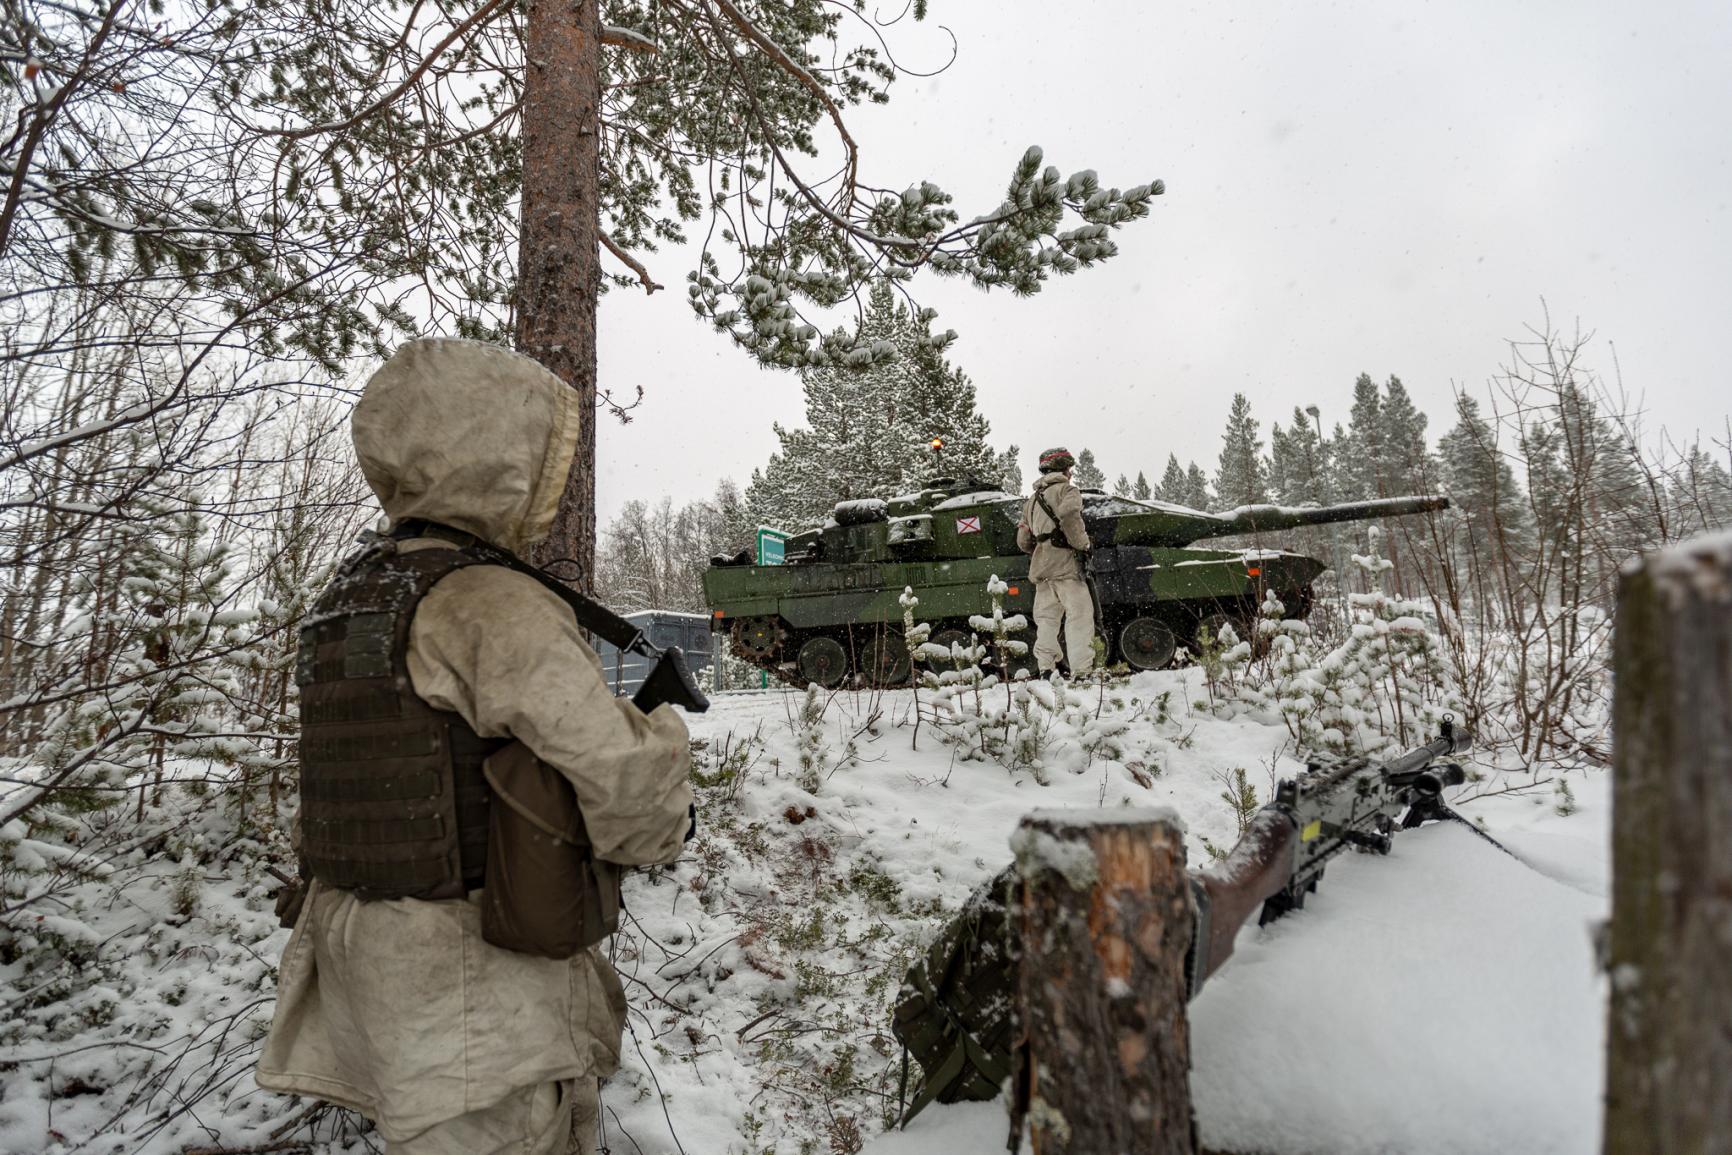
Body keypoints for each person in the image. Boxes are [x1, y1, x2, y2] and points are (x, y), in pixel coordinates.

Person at [256, 338, 694, 1154]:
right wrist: (666, 751)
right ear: (498, 454)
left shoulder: (350, 594)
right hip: (474, 988)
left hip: (365, 973)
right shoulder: (489, 600)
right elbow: (628, 786)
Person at [1016, 447, 1096, 678]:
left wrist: (1042, 548)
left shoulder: (1031, 501)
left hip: (1042, 567)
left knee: (1047, 620)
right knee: (1079, 615)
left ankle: (1045, 668)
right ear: (1063, 468)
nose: (1071, 473)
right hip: (1066, 566)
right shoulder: (1068, 491)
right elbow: (1071, 518)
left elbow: (1023, 540)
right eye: (1069, 468)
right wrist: (1083, 545)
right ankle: (1081, 671)